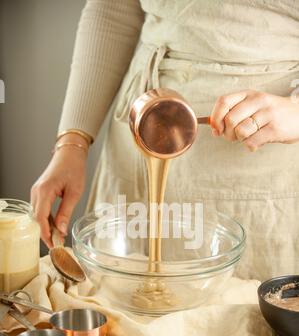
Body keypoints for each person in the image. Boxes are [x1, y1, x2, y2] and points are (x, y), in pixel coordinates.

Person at [31, 0, 299, 280]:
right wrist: (72, 144)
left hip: (263, 158)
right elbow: (112, 10)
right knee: (122, 300)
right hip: (139, 132)